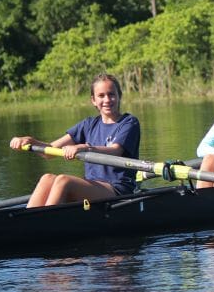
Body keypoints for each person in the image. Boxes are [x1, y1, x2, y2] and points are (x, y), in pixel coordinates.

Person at [10, 73, 140, 207]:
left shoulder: (129, 122)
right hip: (93, 186)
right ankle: (28, 220)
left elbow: (116, 150)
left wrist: (84, 147)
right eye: (101, 96)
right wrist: (31, 141)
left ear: (119, 96)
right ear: (93, 100)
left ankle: (43, 221)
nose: (107, 99)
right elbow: (49, 151)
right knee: (47, 178)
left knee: (64, 180)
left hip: (118, 190)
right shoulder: (88, 124)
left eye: (111, 94)